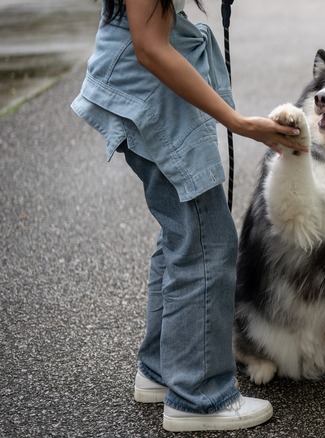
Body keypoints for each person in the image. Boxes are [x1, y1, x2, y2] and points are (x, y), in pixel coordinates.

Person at [71, 0, 306, 432]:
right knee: (206, 240)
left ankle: (162, 370)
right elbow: (149, 47)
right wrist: (238, 122)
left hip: (143, 83)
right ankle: (198, 397)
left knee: (184, 234)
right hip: (143, 85)